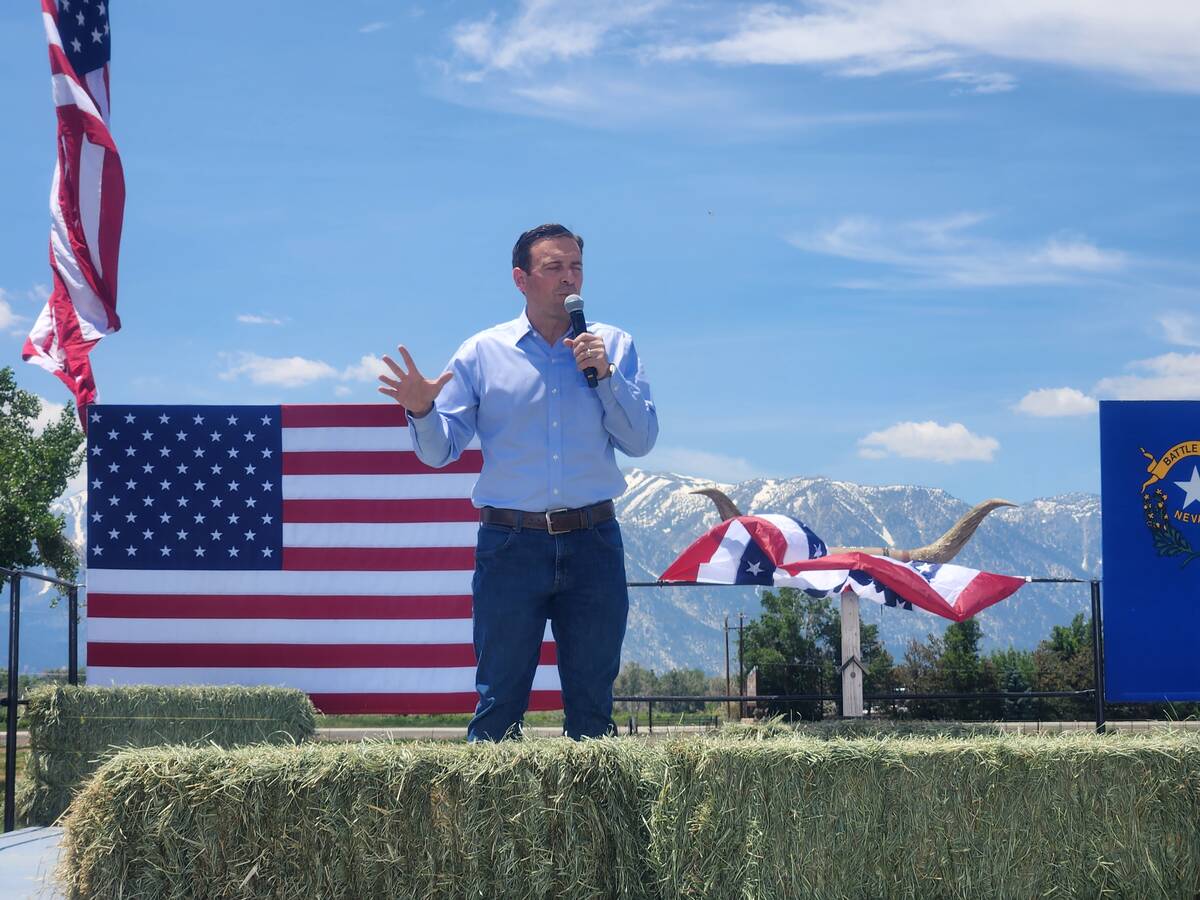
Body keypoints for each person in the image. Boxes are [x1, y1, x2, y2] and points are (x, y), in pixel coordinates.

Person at [378, 223, 658, 740]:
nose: (568, 279)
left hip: (594, 541)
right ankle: (490, 822)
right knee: (498, 706)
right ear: (520, 279)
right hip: (510, 545)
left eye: (576, 267)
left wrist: (608, 376)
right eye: (553, 268)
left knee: (594, 710)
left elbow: (640, 441)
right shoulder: (483, 352)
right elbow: (441, 450)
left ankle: (593, 823)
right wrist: (420, 409)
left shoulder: (614, 345)